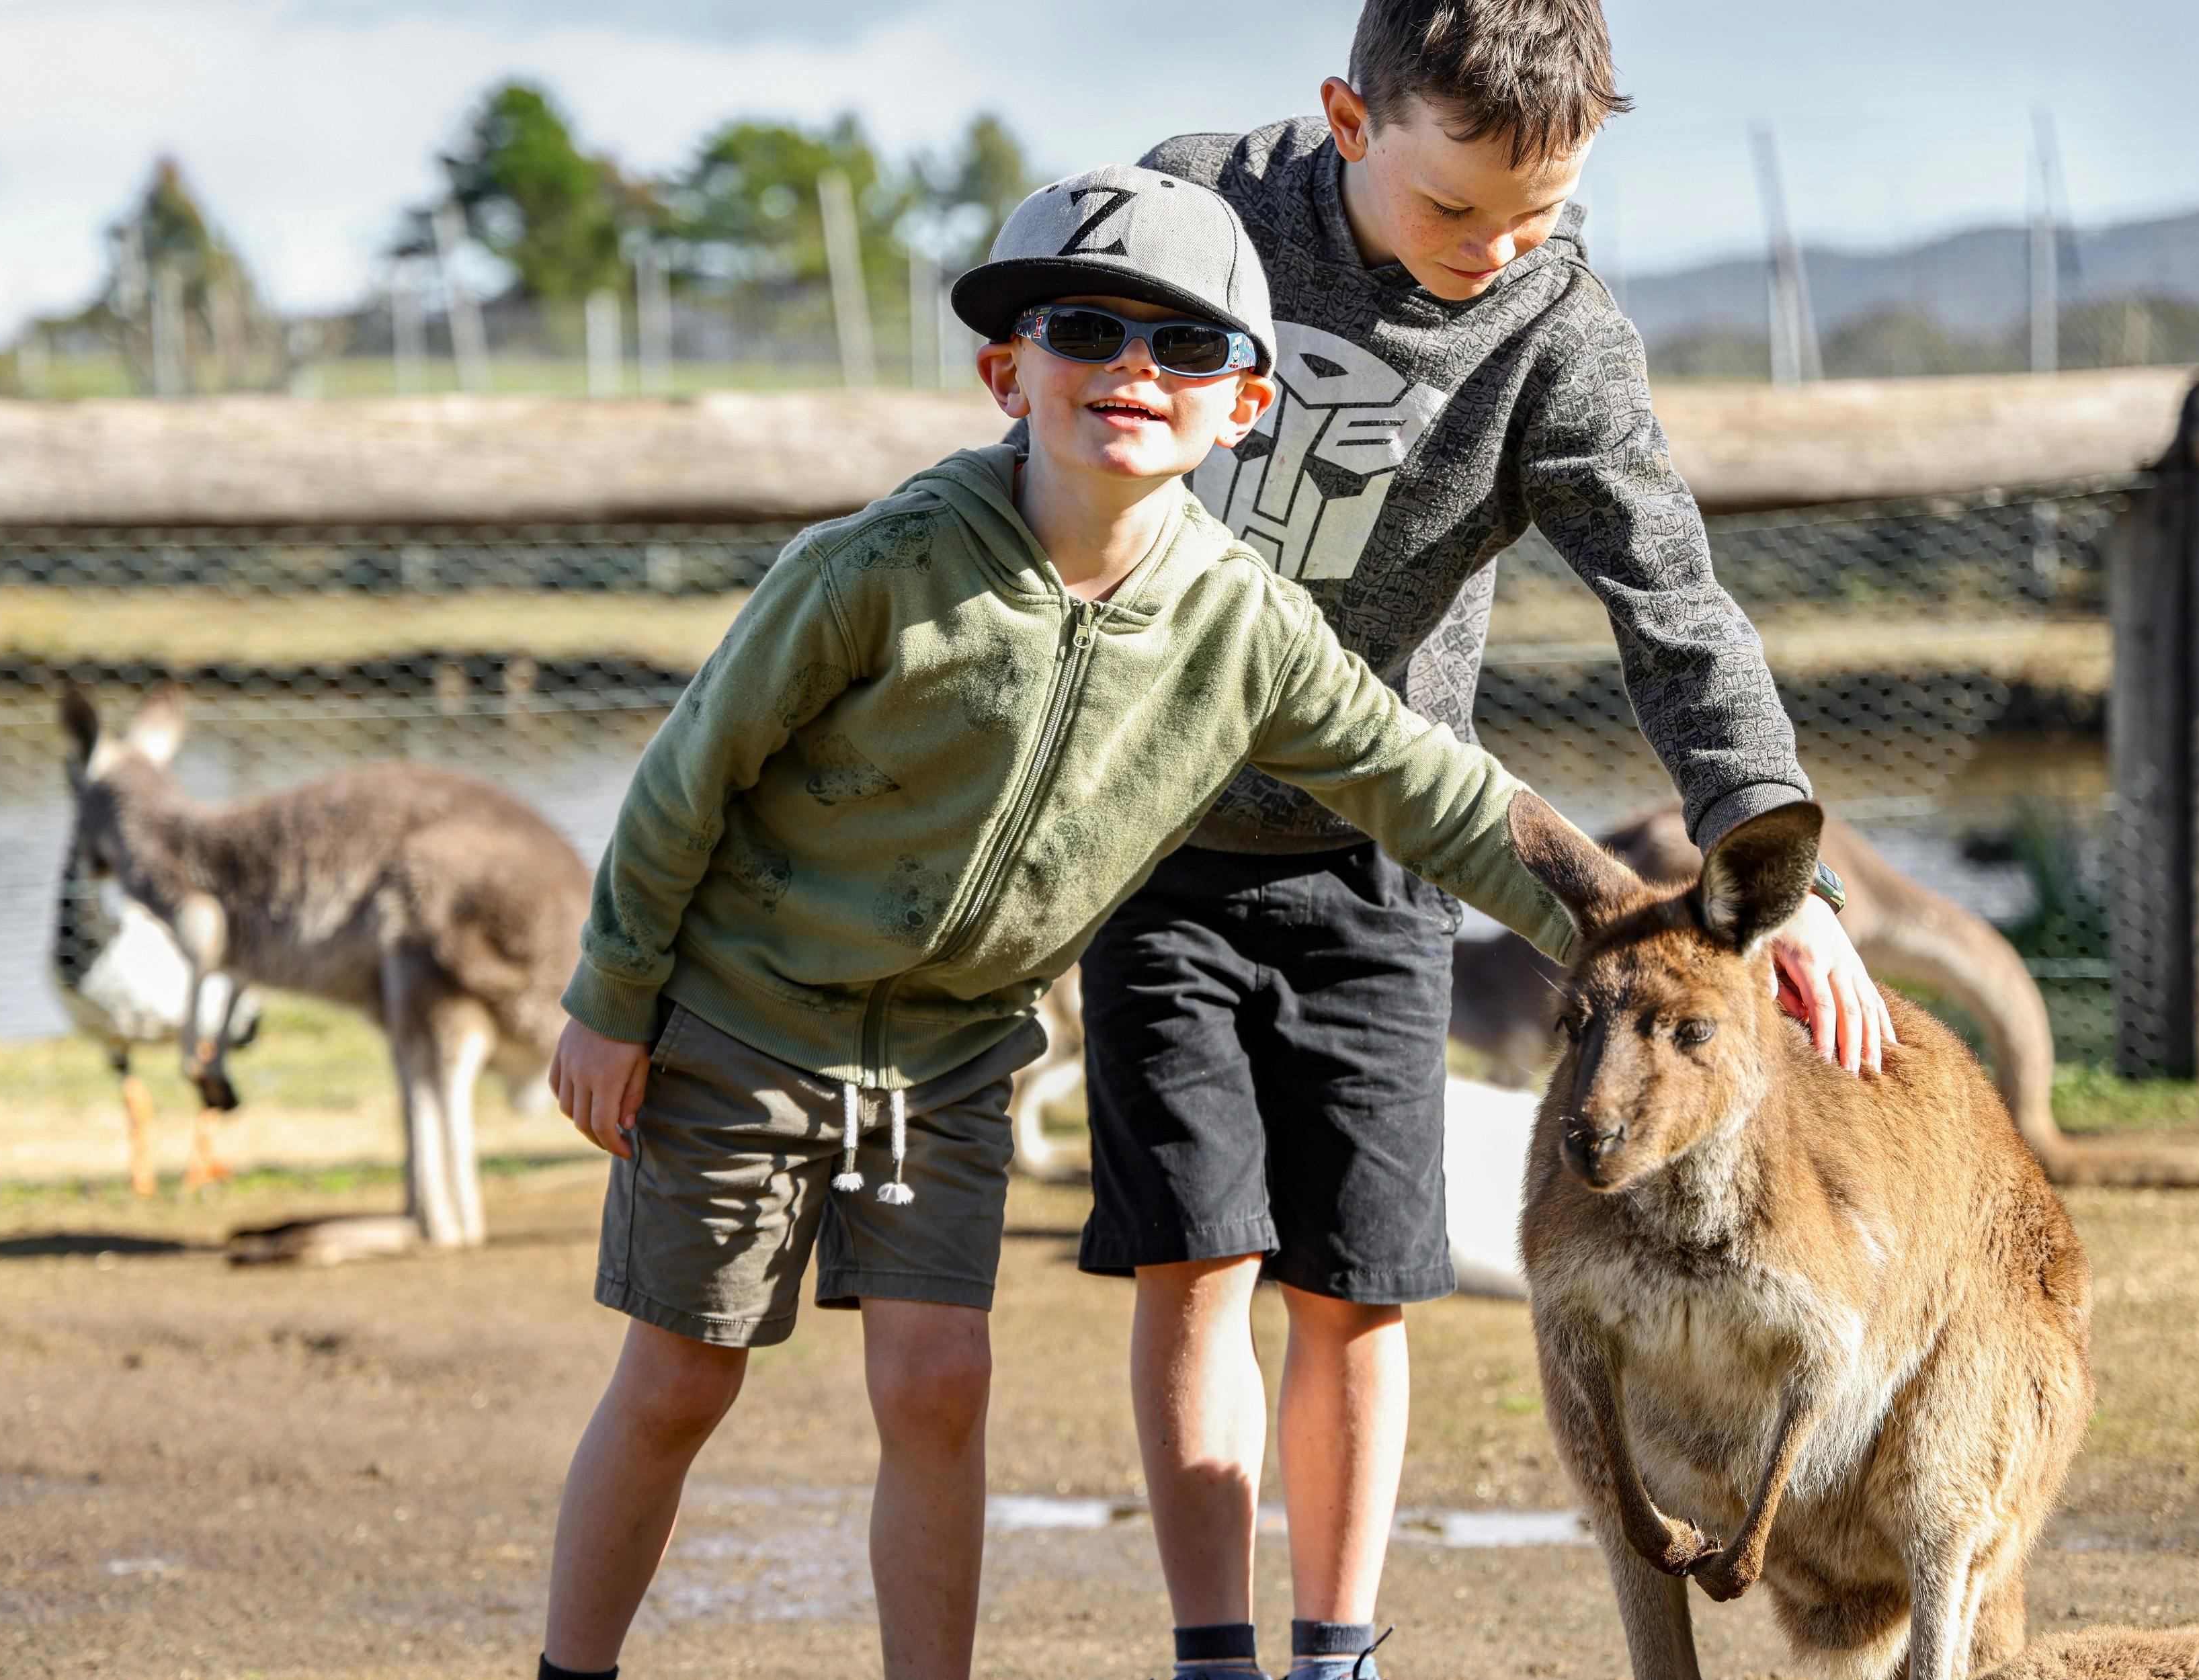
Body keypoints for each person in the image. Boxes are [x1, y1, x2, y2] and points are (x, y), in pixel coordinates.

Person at [533, 165, 1593, 1680]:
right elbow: (686, 775)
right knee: (682, 1377)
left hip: (954, 1055)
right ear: (1003, 370)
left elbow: (1422, 786)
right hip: (748, 1018)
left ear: (1247, 406)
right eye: (1085, 329)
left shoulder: (1242, 629)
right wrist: (613, 995)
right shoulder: (875, 570)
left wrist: (1621, 923)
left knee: (939, 1379)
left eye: (1185, 349)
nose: (1131, 373)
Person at [1071, 4, 1895, 1678]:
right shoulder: (1194, 209)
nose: (1493, 251)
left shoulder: (1553, 332)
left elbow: (1672, 606)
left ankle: (1336, 1646)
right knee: (1197, 1254)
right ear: (1347, 119)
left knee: (1360, 1281)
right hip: (1147, 835)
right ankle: (1212, 1645)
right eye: (1455, 213)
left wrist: (1768, 868)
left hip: (1388, 839)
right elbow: (1045, 442)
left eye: (1539, 214)